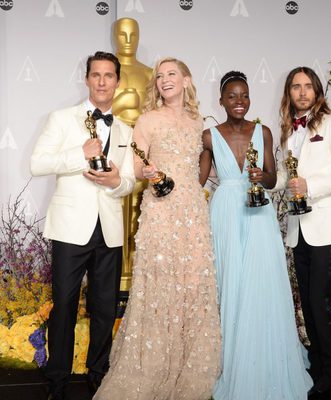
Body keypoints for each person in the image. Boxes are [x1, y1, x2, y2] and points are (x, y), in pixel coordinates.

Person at [93, 57, 221, 400]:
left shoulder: (198, 122)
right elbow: (134, 168)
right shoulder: (147, 120)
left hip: (193, 212)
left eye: (172, 74)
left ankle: (191, 369)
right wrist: (148, 172)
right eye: (160, 75)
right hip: (161, 212)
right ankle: (151, 367)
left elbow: (204, 167)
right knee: (161, 286)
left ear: (187, 79)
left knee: (193, 287)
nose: (165, 80)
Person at [199, 71, 312, 400]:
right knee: (229, 282)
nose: (239, 102)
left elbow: (273, 176)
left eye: (245, 96)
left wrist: (263, 176)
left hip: (257, 210)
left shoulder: (262, 132)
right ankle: (231, 362)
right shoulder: (208, 136)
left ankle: (263, 360)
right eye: (232, 96)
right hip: (225, 214)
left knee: (260, 283)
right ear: (220, 100)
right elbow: (199, 181)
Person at [30, 51, 135, 400]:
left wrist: (116, 182)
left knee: (105, 308)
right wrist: (80, 153)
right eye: (96, 75)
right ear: (87, 78)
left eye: (109, 75)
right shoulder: (61, 118)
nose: (102, 81)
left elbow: (129, 182)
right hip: (70, 229)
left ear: (117, 81)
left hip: (109, 231)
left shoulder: (125, 130)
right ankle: (57, 380)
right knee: (65, 305)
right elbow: (37, 163)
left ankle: (98, 374)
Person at [275, 66, 331, 399]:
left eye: (307, 86)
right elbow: (286, 176)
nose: (301, 92)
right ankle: (316, 364)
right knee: (308, 307)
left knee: (320, 302)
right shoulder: (288, 130)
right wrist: (265, 180)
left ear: (317, 91)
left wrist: (312, 186)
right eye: (295, 87)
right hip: (299, 230)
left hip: (325, 227)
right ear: (289, 93)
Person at [111, 17, 153, 296]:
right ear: (115, 36)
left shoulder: (149, 72)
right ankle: (115, 272)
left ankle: (136, 271)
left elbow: (154, 114)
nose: (128, 40)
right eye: (123, 35)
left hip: (142, 152)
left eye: (132, 35)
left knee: (140, 212)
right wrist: (122, 102)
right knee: (114, 213)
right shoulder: (109, 70)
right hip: (113, 151)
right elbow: (99, 111)